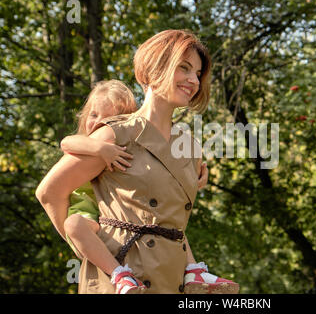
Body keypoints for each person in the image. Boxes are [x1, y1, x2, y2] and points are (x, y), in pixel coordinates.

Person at [36, 29, 239, 294]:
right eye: (184, 68)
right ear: (155, 69)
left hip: (173, 281)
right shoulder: (115, 133)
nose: (193, 80)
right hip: (122, 281)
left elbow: (171, 217)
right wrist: (86, 248)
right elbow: (49, 192)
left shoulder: (189, 145)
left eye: (197, 74)